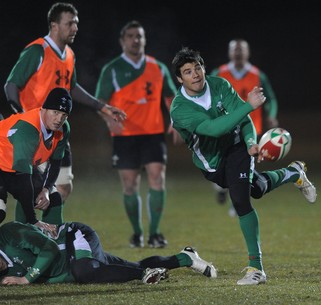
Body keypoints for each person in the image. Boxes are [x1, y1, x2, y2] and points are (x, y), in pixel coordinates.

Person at [170, 47, 317, 285]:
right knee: (255, 188)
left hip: (238, 147)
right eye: (188, 71)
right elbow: (214, 129)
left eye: (198, 67)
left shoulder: (219, 85)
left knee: (240, 199)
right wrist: (248, 105)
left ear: (204, 67)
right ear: (180, 78)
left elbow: (244, 120)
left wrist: (250, 142)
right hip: (211, 164)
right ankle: (293, 173)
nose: (195, 74)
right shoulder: (179, 108)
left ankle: (256, 269)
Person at [3, 2, 126, 219]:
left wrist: (102, 106)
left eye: (76, 23)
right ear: (54, 25)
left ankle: (42, 230)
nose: (75, 28)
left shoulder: (69, 54)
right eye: (70, 23)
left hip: (58, 132)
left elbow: (72, 87)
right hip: (34, 133)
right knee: (32, 189)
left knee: (62, 187)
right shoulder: (37, 51)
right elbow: (11, 84)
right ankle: (27, 233)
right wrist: (20, 114)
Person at [95, 20, 178, 249]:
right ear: (122, 41)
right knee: (130, 185)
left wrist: (176, 120)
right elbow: (99, 101)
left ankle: (154, 233)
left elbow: (171, 98)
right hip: (125, 134)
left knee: (157, 179)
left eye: (139, 36)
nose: (136, 40)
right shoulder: (111, 69)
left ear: (144, 40)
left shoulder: (157, 67)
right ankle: (137, 233)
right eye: (131, 36)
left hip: (152, 132)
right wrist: (109, 119)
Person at [0, 220, 217, 285]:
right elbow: (54, 277)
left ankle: (143, 276)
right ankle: (184, 258)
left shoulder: (9, 233)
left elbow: (49, 248)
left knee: (84, 271)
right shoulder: (4, 276)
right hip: (73, 261)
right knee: (128, 266)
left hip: (74, 236)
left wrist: (26, 280)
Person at [210, 39, 279, 209]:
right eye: (235, 50)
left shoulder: (258, 75)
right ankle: (221, 188)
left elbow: (271, 99)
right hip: (225, 128)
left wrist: (271, 114)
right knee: (221, 165)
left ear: (248, 53)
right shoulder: (219, 73)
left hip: (250, 129)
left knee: (246, 165)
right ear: (229, 52)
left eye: (242, 50)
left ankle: (238, 201)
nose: (238, 53)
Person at [0, 87, 73, 236]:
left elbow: (56, 162)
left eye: (64, 115)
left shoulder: (62, 129)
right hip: (5, 168)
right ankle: (18, 244)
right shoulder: (28, 130)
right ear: (44, 109)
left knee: (52, 198)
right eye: (56, 112)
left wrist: (46, 189)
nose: (59, 119)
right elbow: (23, 178)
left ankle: (55, 250)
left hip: (14, 169)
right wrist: (34, 220)